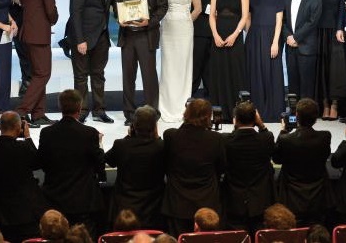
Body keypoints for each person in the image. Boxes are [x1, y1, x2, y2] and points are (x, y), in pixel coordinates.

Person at [38, 89, 105, 238]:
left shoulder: (47, 133)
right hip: (83, 202)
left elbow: (41, 162)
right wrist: (99, 144)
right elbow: (99, 163)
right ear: (80, 107)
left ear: (60, 107)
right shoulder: (89, 133)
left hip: (54, 200)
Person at [115, 0, 168, 125]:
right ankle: (129, 114)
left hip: (146, 34)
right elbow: (117, 6)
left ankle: (151, 114)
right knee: (128, 77)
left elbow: (162, 7)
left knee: (149, 76)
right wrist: (119, 18)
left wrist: (149, 21)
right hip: (128, 35)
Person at [162, 99, 225, 237]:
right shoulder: (215, 138)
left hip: (177, 202)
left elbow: (165, 163)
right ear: (208, 116)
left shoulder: (171, 136)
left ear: (186, 113)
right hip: (207, 201)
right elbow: (221, 167)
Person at [68, 0, 116, 124]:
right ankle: (80, 111)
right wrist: (80, 39)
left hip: (102, 35)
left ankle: (99, 110)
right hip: (84, 37)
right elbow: (75, 12)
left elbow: (112, 4)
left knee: (98, 74)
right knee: (81, 76)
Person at [0, 111, 46, 243]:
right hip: (28, 213)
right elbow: (37, 163)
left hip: (3, 213)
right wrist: (28, 137)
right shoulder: (23, 147)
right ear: (20, 128)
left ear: (0, 128)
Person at [16, 0, 59, 127]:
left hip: (27, 31)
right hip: (39, 33)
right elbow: (49, 8)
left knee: (36, 74)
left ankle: (38, 114)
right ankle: (22, 111)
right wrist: (54, 17)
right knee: (43, 74)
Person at [158, 0, 202, 124]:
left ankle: (182, 107)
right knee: (168, 67)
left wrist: (187, 21)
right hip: (167, 27)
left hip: (184, 29)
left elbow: (198, 8)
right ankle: (166, 107)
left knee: (183, 67)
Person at [272, 98, 331, 226]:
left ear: (296, 116)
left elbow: (276, 159)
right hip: (318, 197)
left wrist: (283, 131)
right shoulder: (325, 137)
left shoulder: (285, 139)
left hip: (291, 198)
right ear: (316, 118)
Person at [105, 105, 165, 230]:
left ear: (133, 126)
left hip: (124, 211)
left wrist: (128, 137)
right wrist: (157, 137)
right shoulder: (161, 147)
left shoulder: (121, 145)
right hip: (153, 211)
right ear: (154, 127)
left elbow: (108, 161)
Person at [221, 101, 275, 234]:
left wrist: (236, 126)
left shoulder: (226, 140)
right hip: (260, 202)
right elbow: (267, 137)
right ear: (255, 119)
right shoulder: (266, 138)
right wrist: (261, 125)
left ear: (236, 120)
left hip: (234, 202)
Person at [208, 0, 248, 122]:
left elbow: (245, 16)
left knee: (235, 72)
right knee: (218, 73)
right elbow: (211, 16)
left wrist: (235, 34)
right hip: (218, 35)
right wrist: (216, 35)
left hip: (235, 36)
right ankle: (219, 113)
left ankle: (236, 113)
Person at [245, 0, 285, 122]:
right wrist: (249, 36)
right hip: (254, 36)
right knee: (254, 72)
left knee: (271, 72)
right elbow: (248, 18)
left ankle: (273, 112)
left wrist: (275, 42)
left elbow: (279, 21)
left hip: (271, 36)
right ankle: (255, 111)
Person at [315, 0, 346, 120]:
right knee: (320, 69)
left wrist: (340, 28)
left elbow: (343, 10)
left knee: (336, 70)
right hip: (318, 32)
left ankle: (335, 105)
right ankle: (325, 105)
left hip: (336, 32)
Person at [282, 0, 322, 100]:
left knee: (307, 83)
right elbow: (282, 20)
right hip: (290, 46)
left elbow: (312, 22)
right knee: (292, 82)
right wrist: (288, 36)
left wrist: (296, 37)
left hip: (307, 46)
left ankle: (306, 112)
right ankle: (294, 112)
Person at [190, 0, 221, 97]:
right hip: (201, 30)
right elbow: (197, 3)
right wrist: (214, 10)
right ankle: (190, 97)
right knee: (197, 65)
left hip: (213, 30)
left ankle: (211, 97)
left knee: (210, 66)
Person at [2, 0, 31, 97]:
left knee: (25, 52)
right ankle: (2, 86)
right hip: (4, 18)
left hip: (23, 18)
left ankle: (27, 82)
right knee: (3, 54)